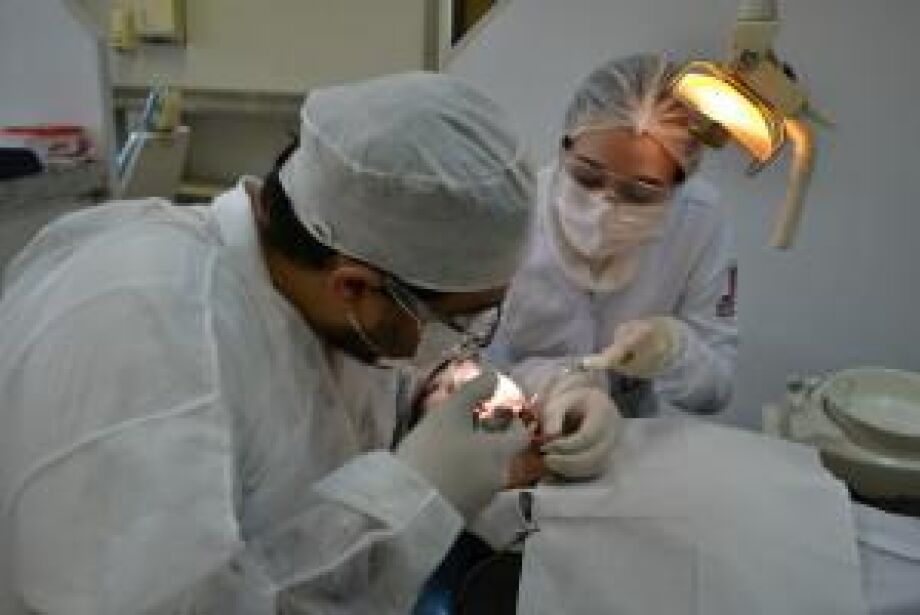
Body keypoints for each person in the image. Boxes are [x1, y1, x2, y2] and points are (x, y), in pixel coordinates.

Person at [0, 72, 544, 614]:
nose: (465, 341)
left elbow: (359, 396)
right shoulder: (149, 339)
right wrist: (415, 495)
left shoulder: (323, 289)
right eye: (457, 321)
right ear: (353, 286)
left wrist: (438, 394)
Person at [490, 53, 738, 478]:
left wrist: (674, 351)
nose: (603, 206)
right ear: (565, 146)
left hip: (631, 446)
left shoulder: (698, 222)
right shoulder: (512, 216)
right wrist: (554, 387)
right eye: (587, 177)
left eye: (641, 193)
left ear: (679, 185)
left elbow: (716, 390)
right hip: (513, 438)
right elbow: (465, 363)